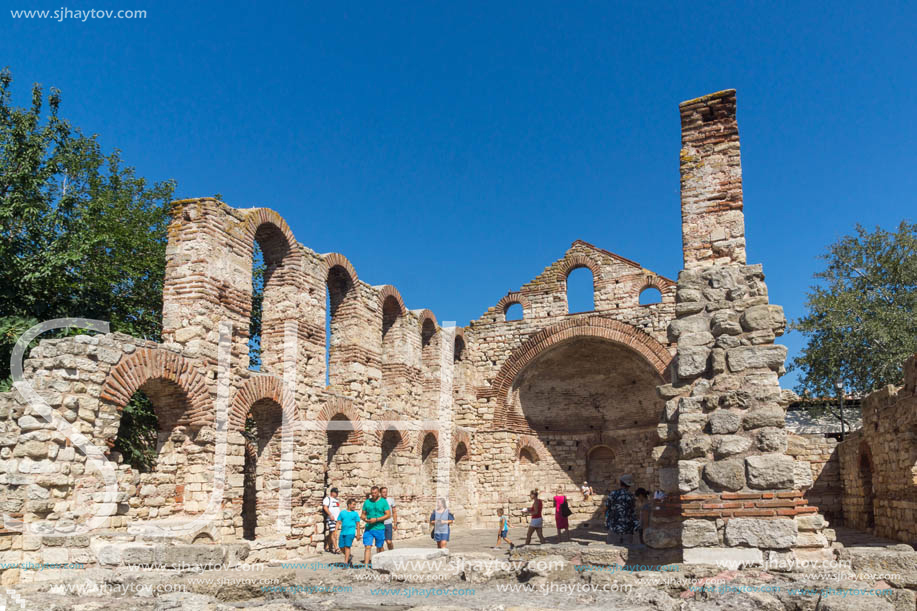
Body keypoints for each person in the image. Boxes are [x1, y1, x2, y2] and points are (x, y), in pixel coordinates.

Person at [360, 485, 391, 566]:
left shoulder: (383, 502)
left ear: (378, 493)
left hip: (379, 528)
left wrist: (376, 519)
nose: (373, 494)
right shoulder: (367, 502)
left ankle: (381, 564)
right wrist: (365, 519)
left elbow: (388, 515)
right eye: (372, 493)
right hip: (369, 528)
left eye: (375, 493)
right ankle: (366, 566)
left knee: (379, 547)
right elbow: (362, 515)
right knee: (367, 547)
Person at [605, 474, 639, 545]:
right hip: (628, 528)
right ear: (629, 485)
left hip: (614, 527)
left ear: (620, 483)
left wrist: (607, 520)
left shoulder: (613, 494)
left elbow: (606, 507)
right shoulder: (631, 496)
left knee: (612, 551)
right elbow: (632, 511)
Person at [335, 498, 362, 566]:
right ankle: (349, 556)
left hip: (351, 533)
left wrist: (358, 534)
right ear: (348, 505)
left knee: (347, 546)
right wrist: (335, 531)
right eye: (353, 504)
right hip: (343, 532)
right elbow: (338, 522)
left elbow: (358, 524)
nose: (354, 506)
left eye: (355, 505)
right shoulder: (342, 513)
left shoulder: (355, 514)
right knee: (341, 546)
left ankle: (346, 562)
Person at [322, 487, 341, 553]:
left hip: (337, 519)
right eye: (335, 492)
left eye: (337, 492)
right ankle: (336, 548)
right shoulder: (327, 499)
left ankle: (327, 546)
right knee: (333, 532)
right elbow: (325, 507)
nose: (336, 493)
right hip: (331, 519)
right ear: (331, 492)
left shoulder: (337, 500)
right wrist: (330, 515)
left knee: (331, 533)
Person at [380, 486, 398, 550]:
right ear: (380, 493)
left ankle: (391, 553)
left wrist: (395, 523)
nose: (385, 493)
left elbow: (394, 512)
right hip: (380, 524)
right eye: (383, 492)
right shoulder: (378, 501)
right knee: (380, 543)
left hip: (388, 523)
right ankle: (382, 556)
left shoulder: (391, 500)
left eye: (386, 492)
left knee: (389, 541)